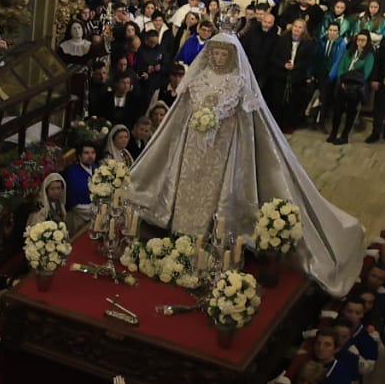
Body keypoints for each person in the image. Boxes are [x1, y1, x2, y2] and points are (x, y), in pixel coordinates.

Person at [125, 31, 367, 294]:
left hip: (224, 151)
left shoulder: (239, 83)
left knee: (216, 196)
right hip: (192, 149)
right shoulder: (199, 77)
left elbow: (251, 122)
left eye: (222, 53)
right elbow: (180, 115)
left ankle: (210, 241)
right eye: (214, 52)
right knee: (186, 190)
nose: (217, 57)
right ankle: (181, 234)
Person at [329, 30, 375, 145]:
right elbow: (341, 67)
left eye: (363, 40)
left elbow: (365, 73)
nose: (360, 42)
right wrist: (342, 81)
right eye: (359, 40)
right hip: (342, 84)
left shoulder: (369, 56)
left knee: (350, 112)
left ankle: (345, 135)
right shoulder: (349, 52)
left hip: (355, 87)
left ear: (367, 41)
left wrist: (351, 83)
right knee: (337, 110)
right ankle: (333, 132)